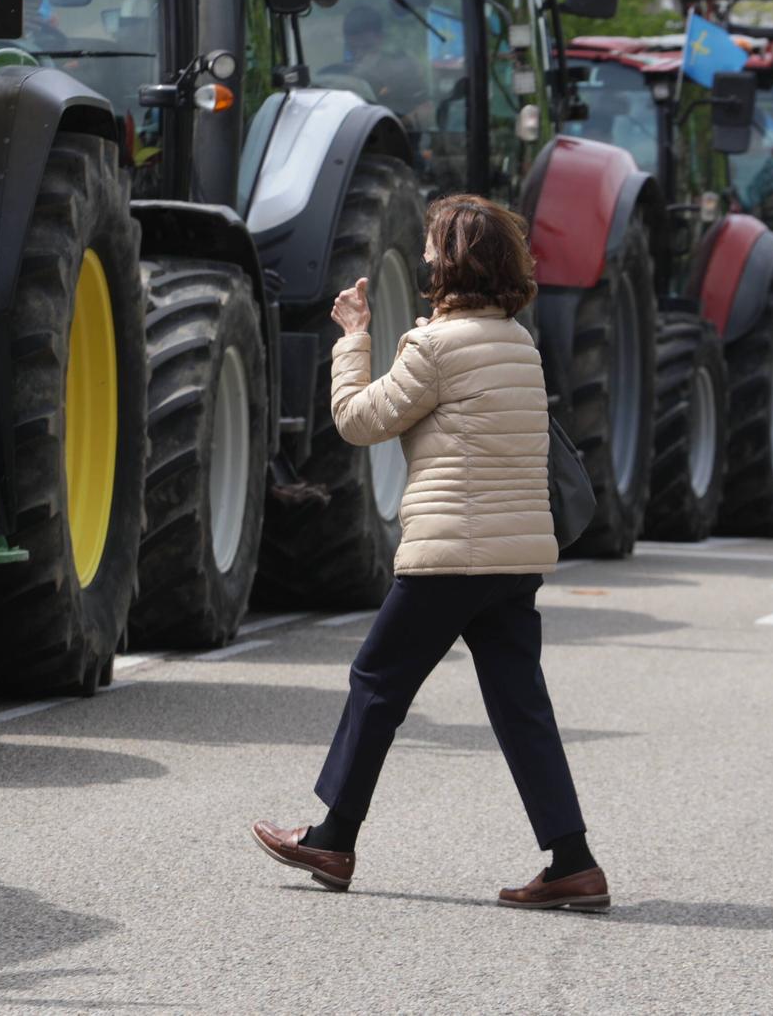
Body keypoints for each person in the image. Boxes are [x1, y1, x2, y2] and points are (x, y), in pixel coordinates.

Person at [252, 195, 607, 912]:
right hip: (513, 557)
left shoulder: (435, 347)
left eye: (430, 248)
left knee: (376, 679)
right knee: (519, 705)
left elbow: (357, 420)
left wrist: (353, 335)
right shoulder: (517, 342)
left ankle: (333, 834)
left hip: (451, 553)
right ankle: (572, 859)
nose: (421, 258)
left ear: (451, 262)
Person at [320, 4, 433, 129]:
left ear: (380, 38)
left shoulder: (403, 69)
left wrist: (394, 127)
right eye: (353, 48)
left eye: (366, 47)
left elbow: (425, 110)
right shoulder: (336, 75)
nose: (359, 54)